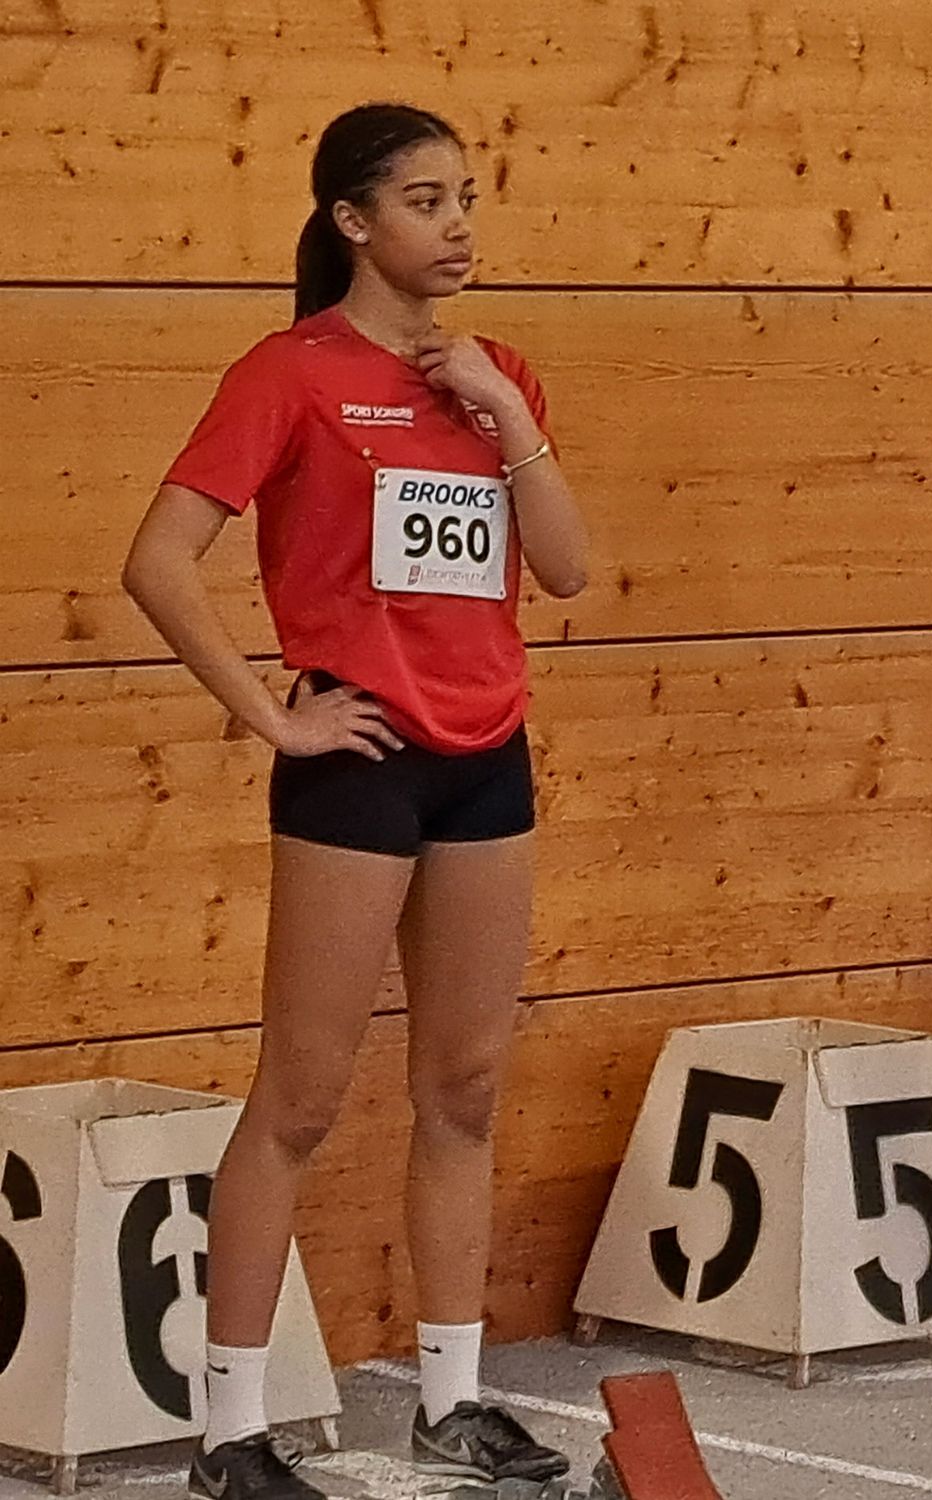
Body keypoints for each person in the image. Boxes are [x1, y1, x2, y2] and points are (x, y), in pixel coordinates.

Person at [122, 103, 589, 1498]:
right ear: (352, 220)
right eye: (426, 201)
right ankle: (229, 1433)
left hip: (488, 755)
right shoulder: (293, 372)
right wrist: (272, 713)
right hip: (359, 762)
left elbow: (565, 569)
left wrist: (508, 417)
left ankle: (453, 1400)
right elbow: (158, 559)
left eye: (468, 199)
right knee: (302, 1096)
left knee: (466, 1086)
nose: (458, 226)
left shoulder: (496, 376)